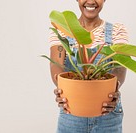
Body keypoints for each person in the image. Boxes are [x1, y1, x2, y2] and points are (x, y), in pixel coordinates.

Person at [49, 0, 129, 132]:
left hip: (107, 112)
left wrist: (113, 90)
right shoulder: (62, 28)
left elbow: (120, 68)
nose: (91, 1)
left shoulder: (117, 30)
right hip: (71, 111)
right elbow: (56, 64)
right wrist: (62, 88)